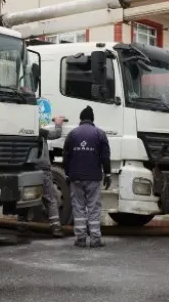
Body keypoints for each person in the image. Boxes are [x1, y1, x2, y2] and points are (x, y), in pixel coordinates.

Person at [63, 106, 111, 248]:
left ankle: (81, 238)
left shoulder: (72, 134)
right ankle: (95, 239)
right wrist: (107, 174)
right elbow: (105, 157)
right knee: (94, 207)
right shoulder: (100, 134)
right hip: (94, 177)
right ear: (92, 119)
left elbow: (66, 157)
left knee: (78, 207)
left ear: (81, 119)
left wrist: (68, 174)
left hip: (76, 177)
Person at [17, 115, 67, 238]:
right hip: (43, 169)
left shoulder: (21, 133)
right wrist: (58, 123)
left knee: (26, 198)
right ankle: (55, 227)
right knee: (50, 198)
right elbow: (56, 134)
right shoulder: (40, 132)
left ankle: (22, 225)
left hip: (27, 169)